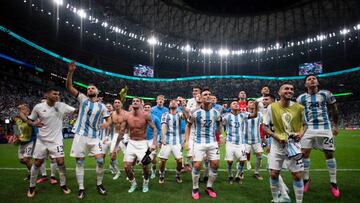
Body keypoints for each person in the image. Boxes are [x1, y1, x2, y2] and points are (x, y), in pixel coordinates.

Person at [66, 61, 111, 199]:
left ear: (97, 92)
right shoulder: (83, 99)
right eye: (88, 88)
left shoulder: (102, 107)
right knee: (79, 162)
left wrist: (105, 125)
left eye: (92, 88)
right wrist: (71, 72)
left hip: (94, 137)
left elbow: (109, 120)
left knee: (100, 161)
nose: (90, 89)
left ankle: (99, 184)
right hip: (80, 135)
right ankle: (81, 188)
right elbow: (69, 87)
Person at [22, 87, 75, 197]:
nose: (57, 96)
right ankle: (31, 187)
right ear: (47, 94)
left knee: (61, 162)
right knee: (37, 163)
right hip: (42, 140)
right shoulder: (38, 107)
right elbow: (30, 120)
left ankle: (63, 185)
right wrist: (33, 124)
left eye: (58, 94)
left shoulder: (61, 106)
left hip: (56, 140)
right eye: (55, 94)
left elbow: (76, 110)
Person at [296, 74, 340, 198]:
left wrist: (335, 126)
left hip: (325, 128)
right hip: (308, 129)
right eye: (309, 79)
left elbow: (334, 109)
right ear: (306, 84)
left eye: (314, 78)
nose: (312, 80)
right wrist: (299, 129)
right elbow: (298, 115)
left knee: (329, 153)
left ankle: (334, 183)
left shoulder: (326, 94)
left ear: (317, 82)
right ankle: (306, 180)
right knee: (304, 153)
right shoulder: (301, 98)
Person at [263, 82, 305, 203]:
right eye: (286, 89)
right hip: (277, 145)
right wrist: (275, 136)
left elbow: (305, 125)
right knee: (274, 174)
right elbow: (265, 127)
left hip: (294, 145)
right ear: (279, 92)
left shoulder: (299, 107)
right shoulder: (272, 107)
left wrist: (300, 134)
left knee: (297, 175)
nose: (290, 91)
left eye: (292, 89)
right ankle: (276, 199)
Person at [113, 98, 158, 193]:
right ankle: (133, 184)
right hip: (131, 143)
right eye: (133, 101)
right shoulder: (127, 115)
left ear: (141, 104)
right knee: (126, 166)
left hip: (142, 143)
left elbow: (154, 129)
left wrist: (154, 143)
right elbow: (121, 132)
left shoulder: (146, 115)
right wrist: (115, 147)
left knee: (145, 166)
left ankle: (146, 182)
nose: (135, 102)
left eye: (137, 101)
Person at [185, 88, 222, 200]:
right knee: (197, 165)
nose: (208, 96)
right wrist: (187, 141)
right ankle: (195, 188)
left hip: (212, 142)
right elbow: (188, 125)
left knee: (215, 164)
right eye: (205, 94)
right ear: (200, 98)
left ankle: (209, 187)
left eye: (209, 94)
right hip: (198, 142)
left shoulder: (216, 112)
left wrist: (220, 136)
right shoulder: (195, 112)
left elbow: (219, 123)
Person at [223, 101, 255, 184]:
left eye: (237, 103)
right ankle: (230, 175)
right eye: (233, 103)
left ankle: (237, 176)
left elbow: (254, 115)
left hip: (241, 143)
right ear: (230, 107)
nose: (236, 104)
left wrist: (257, 106)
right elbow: (218, 121)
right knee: (230, 161)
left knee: (242, 161)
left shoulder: (242, 115)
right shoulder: (227, 116)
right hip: (230, 142)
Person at [158, 99, 187, 184]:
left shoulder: (180, 114)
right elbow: (163, 126)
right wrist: (163, 138)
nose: (173, 103)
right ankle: (162, 175)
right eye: (171, 102)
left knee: (179, 161)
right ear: (169, 105)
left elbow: (185, 117)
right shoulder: (165, 115)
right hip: (166, 140)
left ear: (177, 106)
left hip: (177, 141)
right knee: (163, 160)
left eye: (175, 102)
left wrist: (182, 106)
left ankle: (177, 175)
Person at [12, 103, 37, 181]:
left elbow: (28, 122)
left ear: (28, 111)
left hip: (30, 142)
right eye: (21, 109)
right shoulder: (16, 119)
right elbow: (16, 129)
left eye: (23, 109)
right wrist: (16, 137)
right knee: (22, 160)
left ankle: (33, 175)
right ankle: (33, 170)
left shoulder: (30, 119)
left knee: (26, 159)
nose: (21, 111)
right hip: (21, 142)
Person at [243, 100, 264, 180]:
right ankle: (241, 172)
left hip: (256, 139)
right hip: (246, 139)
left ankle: (256, 172)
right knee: (242, 157)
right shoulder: (244, 114)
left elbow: (262, 126)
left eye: (253, 102)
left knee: (260, 156)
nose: (252, 104)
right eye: (250, 103)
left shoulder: (260, 115)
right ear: (247, 106)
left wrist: (263, 137)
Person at [143, 102, 162, 179]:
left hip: (152, 140)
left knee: (153, 158)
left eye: (148, 107)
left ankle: (153, 171)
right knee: (144, 157)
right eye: (145, 107)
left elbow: (159, 130)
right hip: (143, 140)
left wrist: (158, 140)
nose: (147, 108)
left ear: (151, 109)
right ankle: (145, 172)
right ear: (143, 108)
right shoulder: (141, 117)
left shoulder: (155, 118)